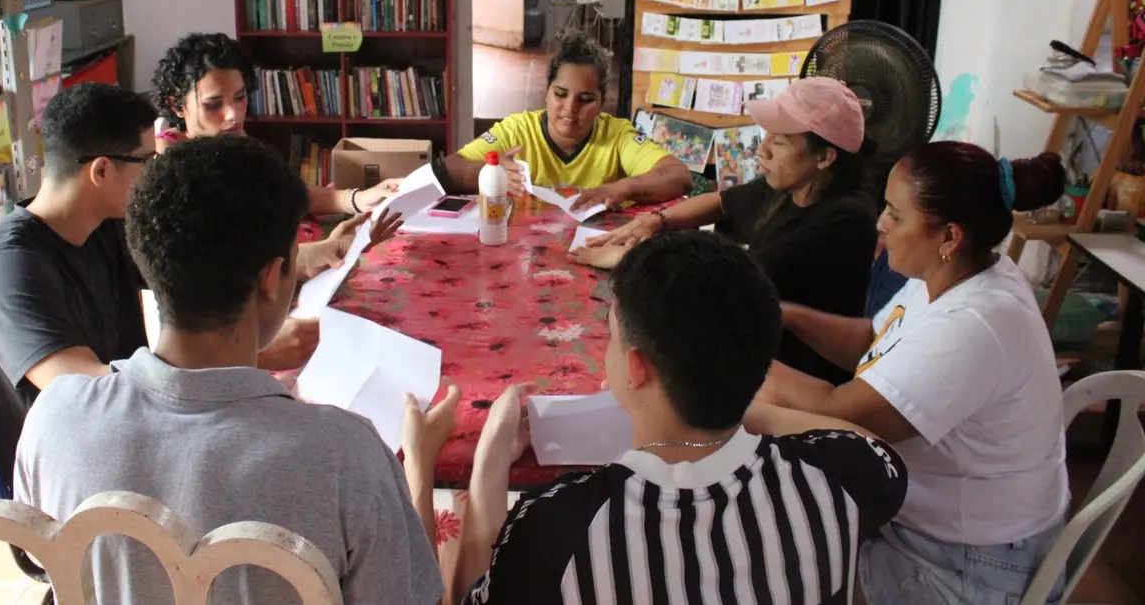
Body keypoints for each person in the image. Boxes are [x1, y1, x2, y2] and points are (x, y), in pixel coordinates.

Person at [15, 135, 444, 604]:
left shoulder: (54, 416)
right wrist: (420, 470)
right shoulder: (347, 456)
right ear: (270, 278)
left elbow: (43, 561)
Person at [453, 230, 908, 604]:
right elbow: (867, 441)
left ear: (636, 368)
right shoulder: (843, 477)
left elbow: (474, 594)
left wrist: (491, 459)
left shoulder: (555, 525)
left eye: (611, 337)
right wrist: (729, 388)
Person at [757, 142, 1069, 605]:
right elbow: (874, 342)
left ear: (949, 235)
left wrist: (724, 355)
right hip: (950, 527)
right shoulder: (961, 272)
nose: (880, 223)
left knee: (766, 570)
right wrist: (787, 315)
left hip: (970, 565)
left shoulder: (974, 324)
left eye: (895, 214)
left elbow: (837, 415)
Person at [577, 76, 879, 385]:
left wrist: (629, 257)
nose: (761, 150)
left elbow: (729, 281)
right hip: (755, 344)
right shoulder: (793, 187)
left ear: (824, 157)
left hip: (799, 378)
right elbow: (720, 202)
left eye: (778, 142)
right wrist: (654, 221)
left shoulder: (844, 221)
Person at [0, 83, 158, 484]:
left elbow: (194, 278)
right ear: (101, 170)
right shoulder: (6, 270)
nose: (155, 176)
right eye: (147, 162)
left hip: (125, 444)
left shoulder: (103, 225)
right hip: (67, 490)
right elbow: (87, 394)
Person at [151, 32, 401, 215]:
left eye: (240, 97)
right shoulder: (169, 161)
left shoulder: (229, 140)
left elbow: (281, 189)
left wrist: (357, 199)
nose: (233, 115)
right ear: (177, 106)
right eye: (213, 104)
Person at [442, 33, 693, 210]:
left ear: (602, 103)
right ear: (547, 91)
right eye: (560, 94)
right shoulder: (517, 130)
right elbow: (448, 169)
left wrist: (624, 187)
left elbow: (679, 176)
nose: (570, 109)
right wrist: (491, 173)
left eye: (585, 99)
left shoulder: (616, 135)